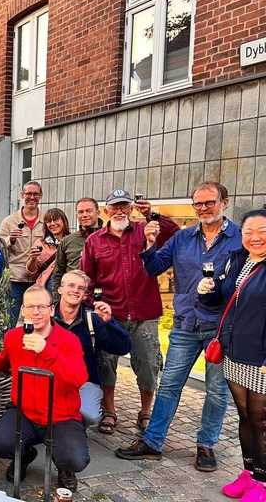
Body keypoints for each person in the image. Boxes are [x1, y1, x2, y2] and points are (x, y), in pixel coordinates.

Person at [116, 181, 240, 472]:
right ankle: (153, 442)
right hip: (186, 322)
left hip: (221, 327)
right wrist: (149, 244)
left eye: (209, 202)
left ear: (225, 202)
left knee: (216, 391)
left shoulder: (239, 239)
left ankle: (206, 445)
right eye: (198, 203)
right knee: (170, 385)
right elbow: (154, 267)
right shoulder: (182, 238)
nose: (203, 208)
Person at [0, 285, 89, 492]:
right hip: (25, 412)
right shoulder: (14, 337)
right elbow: (2, 360)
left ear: (51, 310)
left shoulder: (69, 341)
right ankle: (25, 455)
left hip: (60, 416)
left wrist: (47, 351)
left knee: (75, 459)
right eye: (30, 307)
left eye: (41, 306)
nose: (35, 312)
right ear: (22, 310)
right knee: (1, 444)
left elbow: (79, 378)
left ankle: (64, 466)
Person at [80, 189, 179, 436]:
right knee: (106, 364)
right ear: (106, 211)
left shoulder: (146, 231)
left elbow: (176, 237)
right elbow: (86, 278)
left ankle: (146, 412)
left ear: (131, 208)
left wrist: (153, 215)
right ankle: (110, 411)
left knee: (147, 364)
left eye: (124, 206)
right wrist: (94, 304)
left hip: (144, 312)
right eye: (114, 207)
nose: (120, 211)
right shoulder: (95, 240)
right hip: (110, 314)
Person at [197, 209, 266, 500]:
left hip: (262, 358)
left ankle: (263, 482)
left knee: (262, 421)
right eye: (248, 231)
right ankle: (249, 473)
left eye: (262, 230)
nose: (255, 237)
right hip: (234, 353)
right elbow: (221, 299)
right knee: (245, 416)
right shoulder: (238, 260)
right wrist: (206, 291)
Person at [53, 270, 131, 425]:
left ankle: (74, 428)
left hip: (84, 382)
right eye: (71, 285)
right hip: (50, 380)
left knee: (90, 415)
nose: (75, 290)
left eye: (81, 288)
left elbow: (123, 348)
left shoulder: (92, 320)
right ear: (60, 289)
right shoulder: (45, 316)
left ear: (84, 295)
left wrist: (109, 322)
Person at [0, 181, 45, 327]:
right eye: (28, 194)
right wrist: (10, 240)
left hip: (39, 280)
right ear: (22, 195)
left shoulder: (47, 220)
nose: (32, 197)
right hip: (15, 279)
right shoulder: (9, 221)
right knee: (10, 321)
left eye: (35, 194)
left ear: (41, 196)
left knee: (38, 321)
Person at [51, 197, 102, 296]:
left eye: (89, 211)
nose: (85, 215)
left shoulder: (108, 238)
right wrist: (58, 301)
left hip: (101, 298)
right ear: (76, 215)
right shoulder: (67, 241)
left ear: (98, 213)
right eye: (80, 212)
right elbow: (58, 275)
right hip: (74, 297)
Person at [26, 208, 70, 293]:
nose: (52, 224)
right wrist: (32, 259)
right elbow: (31, 272)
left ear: (64, 220)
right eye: (49, 221)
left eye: (56, 219)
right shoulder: (41, 243)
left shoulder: (72, 241)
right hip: (48, 286)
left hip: (68, 283)